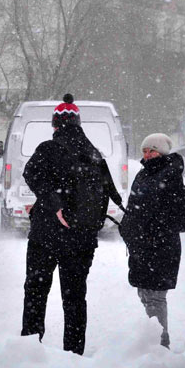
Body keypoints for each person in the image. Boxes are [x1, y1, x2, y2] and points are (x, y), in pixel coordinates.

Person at [21, 94, 123, 354]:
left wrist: (54, 203)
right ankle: (74, 354)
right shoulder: (93, 153)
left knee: (36, 291)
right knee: (75, 298)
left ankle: (29, 350)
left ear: (55, 125)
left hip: (46, 237)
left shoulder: (47, 149)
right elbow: (110, 190)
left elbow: (30, 174)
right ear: (78, 124)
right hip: (81, 239)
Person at [119, 133, 185, 348]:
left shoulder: (170, 174)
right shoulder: (144, 174)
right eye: (145, 151)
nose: (147, 155)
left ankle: (160, 344)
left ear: (162, 152)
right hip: (142, 245)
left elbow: (162, 213)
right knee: (145, 293)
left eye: (152, 151)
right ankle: (153, 339)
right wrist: (128, 227)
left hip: (160, 246)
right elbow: (135, 207)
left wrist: (145, 231)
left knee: (156, 296)